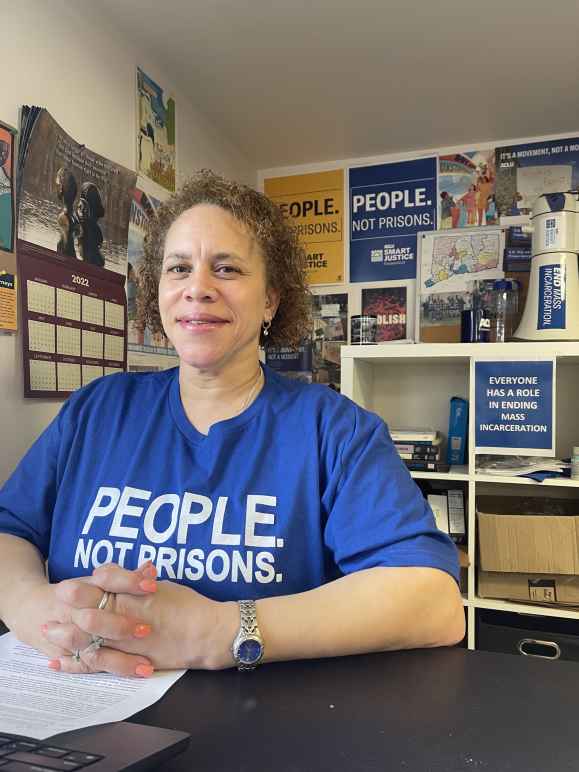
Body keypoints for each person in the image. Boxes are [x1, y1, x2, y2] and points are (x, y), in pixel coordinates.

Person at [0, 170, 464, 678]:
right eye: (178, 268)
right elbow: (9, 532)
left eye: (226, 269)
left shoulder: (334, 431)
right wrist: (31, 609)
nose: (197, 289)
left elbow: (434, 602)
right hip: (77, 716)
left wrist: (221, 632)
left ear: (270, 299)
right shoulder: (95, 410)